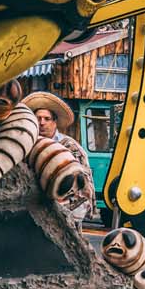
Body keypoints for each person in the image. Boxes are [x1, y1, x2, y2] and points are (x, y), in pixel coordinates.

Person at [29, 91, 96, 224]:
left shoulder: (71, 148)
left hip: (64, 214)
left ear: (55, 122)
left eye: (47, 119)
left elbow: (83, 186)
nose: (42, 123)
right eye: (38, 118)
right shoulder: (28, 145)